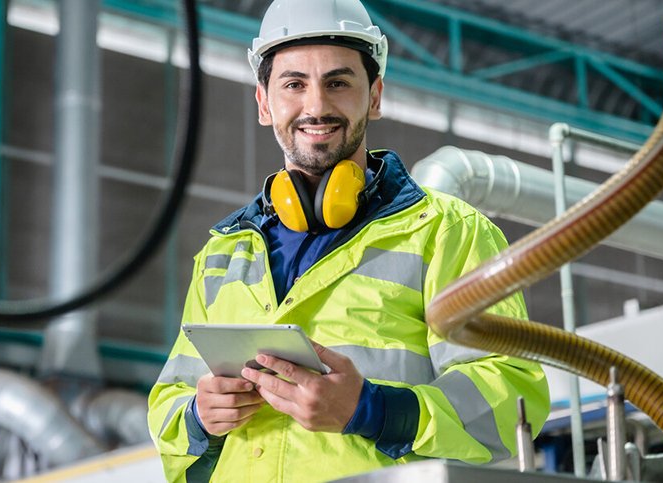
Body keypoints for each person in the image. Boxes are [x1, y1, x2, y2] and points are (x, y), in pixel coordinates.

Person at [148, 0, 549, 481]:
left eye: (338, 82)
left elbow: (512, 403)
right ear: (264, 103)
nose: (316, 106)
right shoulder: (224, 253)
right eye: (294, 84)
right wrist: (198, 414)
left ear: (375, 96)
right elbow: (168, 406)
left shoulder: (449, 232)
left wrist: (372, 409)